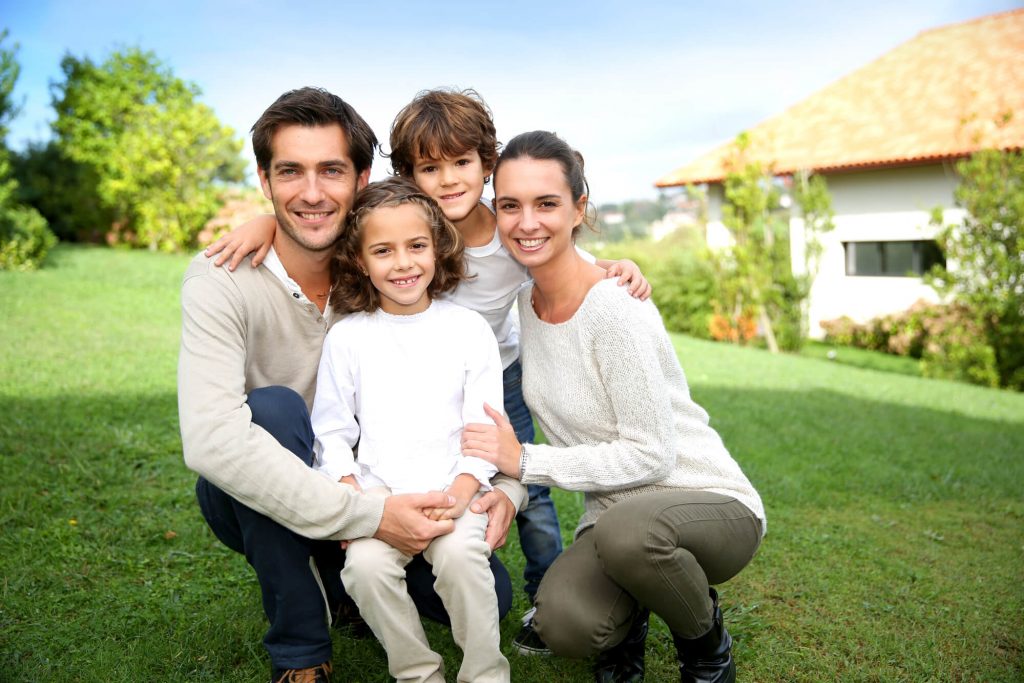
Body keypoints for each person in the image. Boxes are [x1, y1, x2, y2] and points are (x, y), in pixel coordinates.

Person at [205, 89, 651, 655]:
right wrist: (262, 224)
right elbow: (323, 220)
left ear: (487, 166)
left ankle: (544, 590)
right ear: (410, 178)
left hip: (497, 376)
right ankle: (371, 570)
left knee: (528, 492)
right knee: (396, 462)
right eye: (430, 169)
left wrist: (616, 266)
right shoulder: (403, 226)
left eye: (462, 164)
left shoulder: (510, 235)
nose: (448, 180)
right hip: (409, 383)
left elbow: (562, 253)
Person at [178, 87, 525, 683]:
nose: (311, 193)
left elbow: (480, 400)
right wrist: (365, 515)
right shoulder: (223, 277)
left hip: (401, 486)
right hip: (275, 491)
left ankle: (346, 586)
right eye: (290, 172)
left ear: (362, 179)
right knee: (276, 411)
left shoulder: (377, 263)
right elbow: (213, 442)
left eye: (331, 171)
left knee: (486, 590)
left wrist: (505, 490)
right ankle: (302, 650)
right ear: (265, 179)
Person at [461, 130, 766, 683]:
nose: (527, 222)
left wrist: (524, 461)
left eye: (547, 203)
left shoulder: (616, 307)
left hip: (709, 505)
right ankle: (635, 609)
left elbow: (651, 455)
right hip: (614, 522)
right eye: (511, 206)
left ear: (579, 208)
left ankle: (706, 647)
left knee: (632, 535)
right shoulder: (525, 307)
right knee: (564, 624)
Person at [312, 176, 510, 683]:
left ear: (438, 249)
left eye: (417, 246)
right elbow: (332, 430)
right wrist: (351, 492)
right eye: (383, 250)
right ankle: (417, 673)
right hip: (381, 500)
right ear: (360, 260)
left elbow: (483, 427)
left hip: (454, 491)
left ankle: (485, 673)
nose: (403, 263)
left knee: (464, 559)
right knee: (364, 570)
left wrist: (463, 488)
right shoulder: (348, 338)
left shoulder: (467, 329)